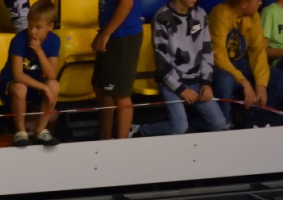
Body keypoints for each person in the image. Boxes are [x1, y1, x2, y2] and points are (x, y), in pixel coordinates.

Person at [131, 0, 227, 137]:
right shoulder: (162, 16)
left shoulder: (200, 14)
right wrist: (181, 89)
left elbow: (207, 51)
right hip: (172, 82)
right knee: (179, 127)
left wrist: (206, 83)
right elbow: (161, 61)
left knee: (219, 124)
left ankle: (188, 132)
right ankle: (140, 130)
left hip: (197, 81)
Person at [210, 0, 283, 127]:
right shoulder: (220, 14)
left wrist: (261, 84)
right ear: (243, 4)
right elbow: (218, 55)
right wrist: (244, 81)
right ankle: (225, 123)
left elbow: (258, 52)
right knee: (225, 80)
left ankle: (248, 115)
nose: (260, 3)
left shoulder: (254, 16)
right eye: (257, 0)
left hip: (241, 61)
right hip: (218, 64)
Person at [0, 0, 61, 147]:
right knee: (21, 88)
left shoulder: (54, 41)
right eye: (30, 25)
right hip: (11, 82)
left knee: (54, 85)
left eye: (38, 27)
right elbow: (18, 76)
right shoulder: (19, 40)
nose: (32, 31)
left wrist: (39, 51)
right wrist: (44, 88)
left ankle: (41, 130)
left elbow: (51, 75)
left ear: (50, 27)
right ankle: (20, 132)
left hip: (35, 84)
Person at [92, 0, 144, 139]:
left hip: (123, 36)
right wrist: (102, 33)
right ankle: (105, 138)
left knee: (121, 94)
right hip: (112, 34)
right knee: (102, 88)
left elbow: (126, 4)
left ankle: (122, 144)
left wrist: (106, 33)